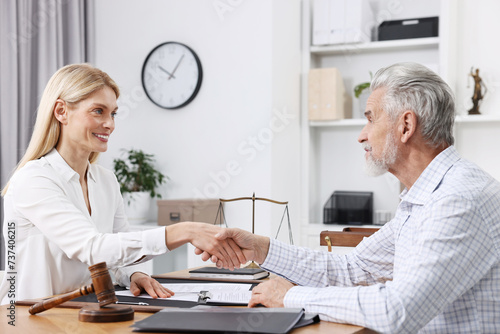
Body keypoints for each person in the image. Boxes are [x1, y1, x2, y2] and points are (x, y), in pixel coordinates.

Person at [200, 63, 500, 333]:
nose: (361, 135)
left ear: (405, 126)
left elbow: (396, 310)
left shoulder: (458, 199)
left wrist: (289, 296)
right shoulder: (426, 196)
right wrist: (260, 248)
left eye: (370, 120)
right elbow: (354, 268)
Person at [0, 63, 244, 305]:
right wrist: (186, 231)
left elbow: (117, 252)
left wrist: (132, 274)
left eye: (113, 113)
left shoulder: (106, 181)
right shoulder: (33, 179)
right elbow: (92, 248)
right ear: (61, 111)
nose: (110, 124)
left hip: (87, 311)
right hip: (32, 317)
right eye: (98, 111)